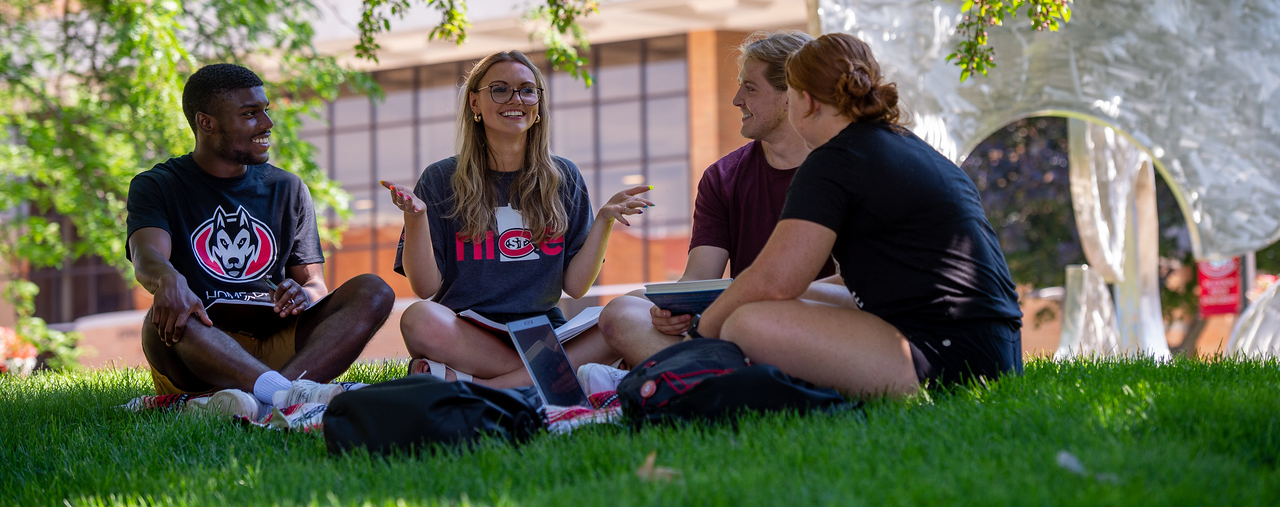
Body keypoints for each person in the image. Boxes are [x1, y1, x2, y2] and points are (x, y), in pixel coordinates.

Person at [690, 33, 1023, 395]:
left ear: (806, 102)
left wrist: (701, 332)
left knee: (746, 323)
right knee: (789, 301)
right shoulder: (898, 143)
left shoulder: (833, 160)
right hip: (995, 351)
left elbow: (774, 281)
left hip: (948, 359)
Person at [126, 64, 395, 416]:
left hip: (276, 339)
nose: (267, 123)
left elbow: (313, 284)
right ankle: (289, 398)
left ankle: (271, 395)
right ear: (207, 123)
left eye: (265, 110)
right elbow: (147, 255)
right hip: (200, 348)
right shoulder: (158, 185)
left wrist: (303, 295)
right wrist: (169, 278)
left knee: (374, 290)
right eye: (250, 114)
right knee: (174, 311)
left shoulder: (287, 187)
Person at [384, 50, 652, 387]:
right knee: (418, 318)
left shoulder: (564, 176)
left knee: (634, 307)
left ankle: (481, 387)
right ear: (474, 104)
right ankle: (550, 382)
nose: (516, 99)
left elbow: (575, 286)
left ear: (538, 105)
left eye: (527, 90)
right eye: (499, 89)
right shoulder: (440, 178)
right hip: (469, 332)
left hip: (543, 332)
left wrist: (604, 220)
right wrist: (416, 219)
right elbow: (425, 289)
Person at [597, 30, 840, 367]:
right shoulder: (722, 176)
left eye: (750, 88)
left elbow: (850, 286)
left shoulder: (842, 168)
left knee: (751, 326)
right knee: (622, 311)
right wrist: (673, 311)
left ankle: (681, 379)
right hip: (736, 324)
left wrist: (748, 300)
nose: (737, 99)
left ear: (790, 96)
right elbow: (699, 277)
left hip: (814, 324)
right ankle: (719, 380)